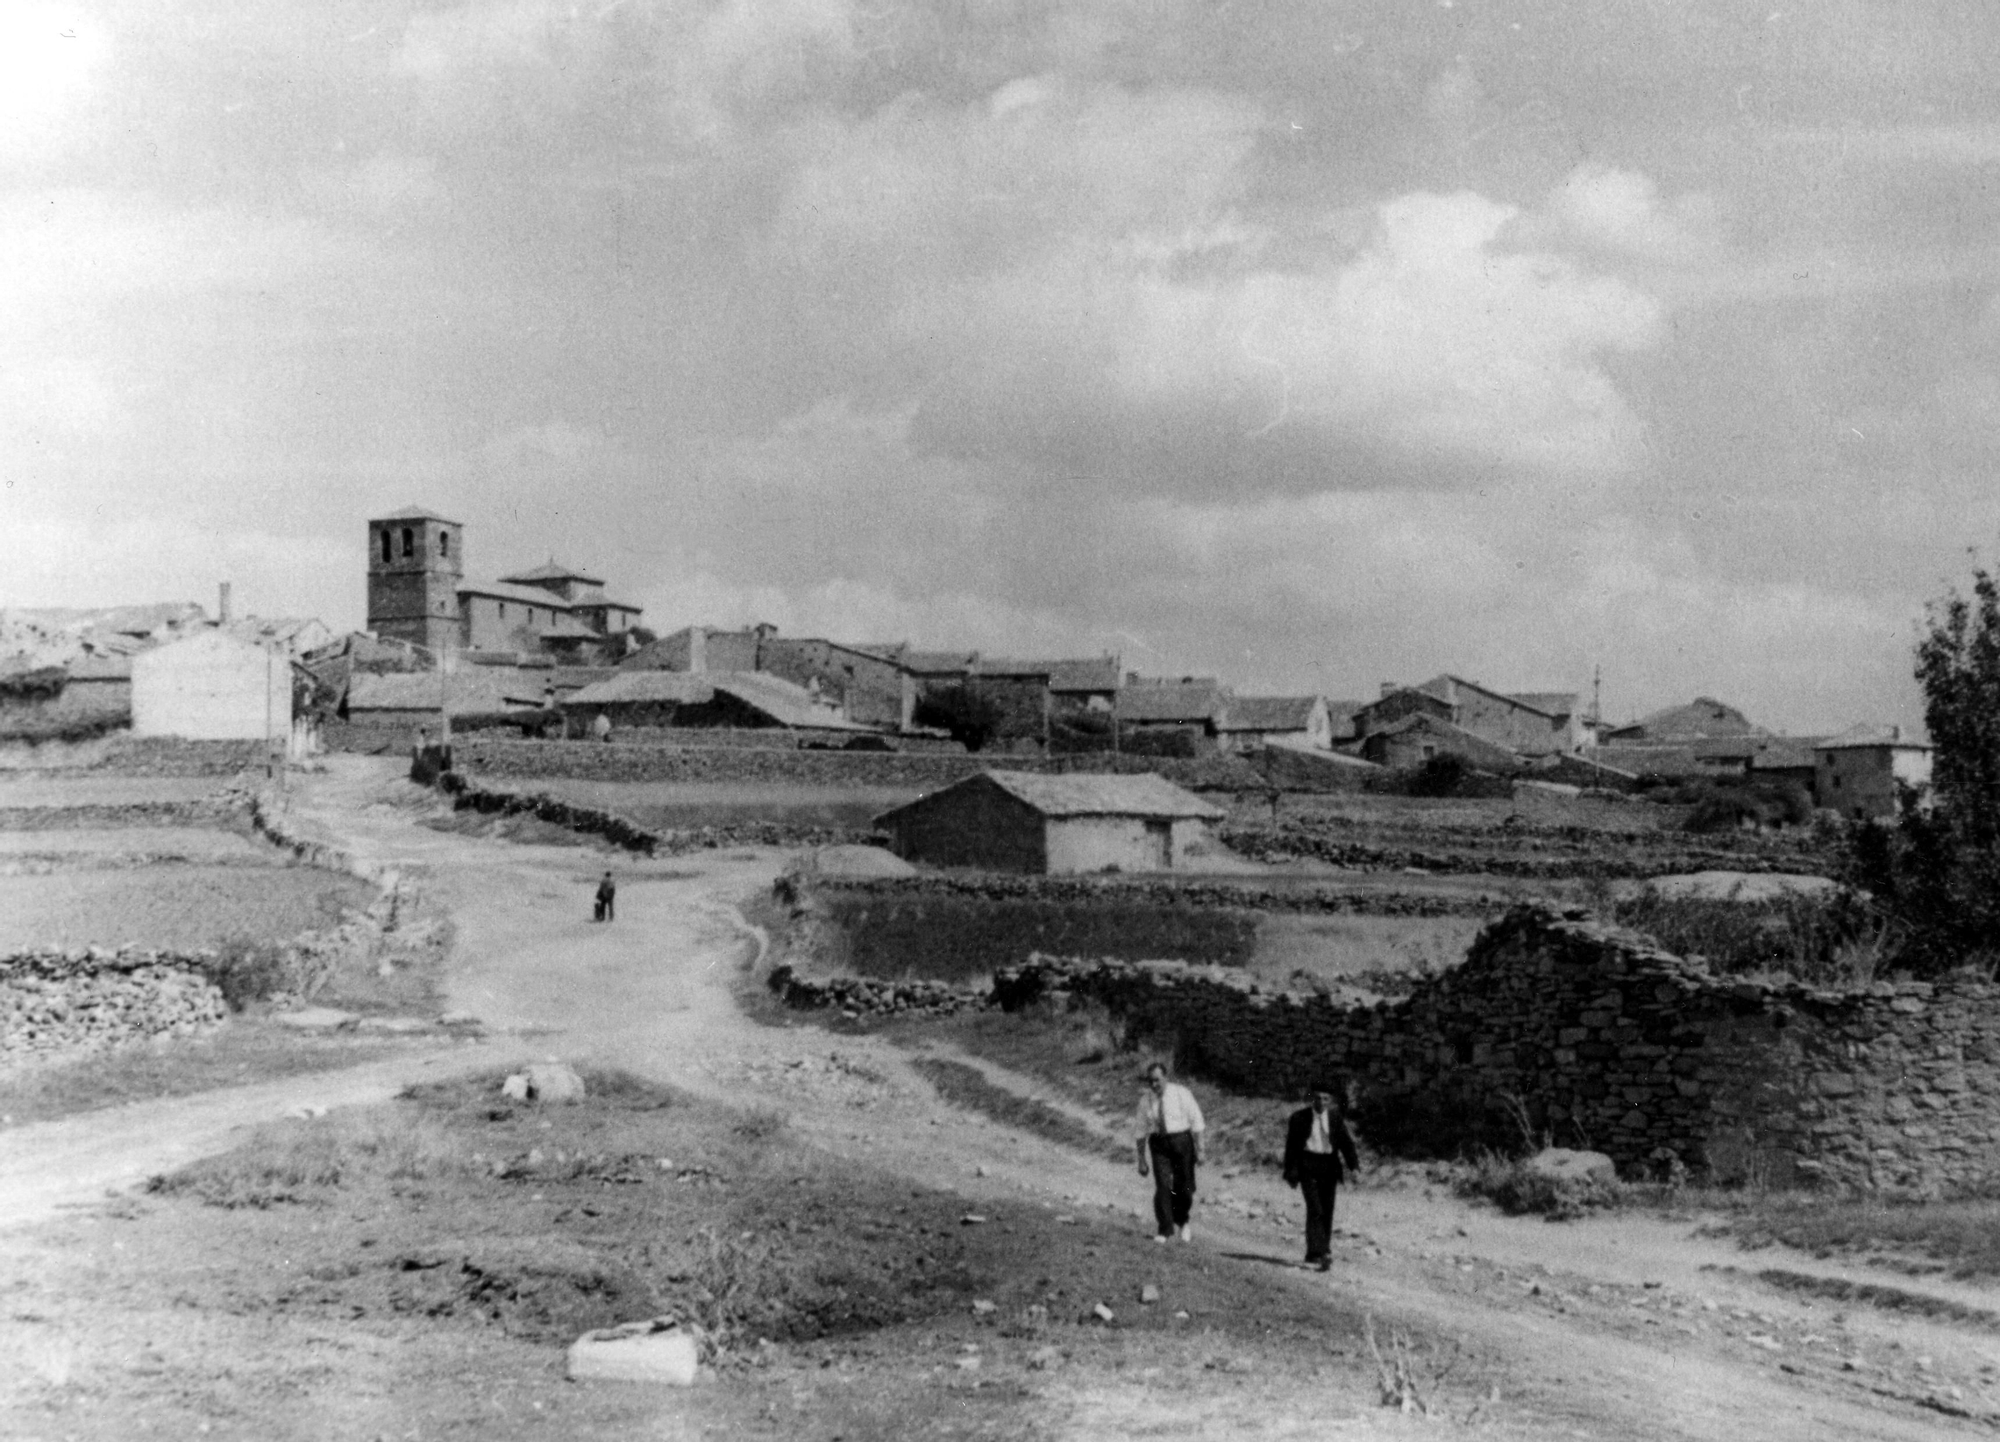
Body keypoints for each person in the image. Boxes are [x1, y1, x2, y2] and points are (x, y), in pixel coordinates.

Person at [1282, 1081, 1361, 1271]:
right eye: (1317, 1098)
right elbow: (1291, 1148)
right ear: (1312, 1098)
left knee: (1327, 1209)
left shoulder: (1335, 1118)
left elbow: (1345, 1143)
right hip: (1307, 1166)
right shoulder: (1299, 1118)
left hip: (1329, 1167)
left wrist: (1354, 1167)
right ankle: (1320, 1252)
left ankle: (1317, 1252)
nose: (1321, 1102)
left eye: (1326, 1099)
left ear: (1331, 1100)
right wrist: (1291, 1173)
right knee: (1315, 1208)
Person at [1133, 1061, 1205, 1243]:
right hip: (1159, 1144)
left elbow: (1197, 1122)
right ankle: (1164, 1229)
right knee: (1163, 1186)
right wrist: (1141, 1160)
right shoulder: (1145, 1101)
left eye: (1157, 1080)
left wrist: (1201, 1149)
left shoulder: (1181, 1094)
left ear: (1166, 1077)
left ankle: (1183, 1221)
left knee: (1185, 1187)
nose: (1154, 1085)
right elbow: (1140, 1132)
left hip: (1182, 1141)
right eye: (1150, 1081)